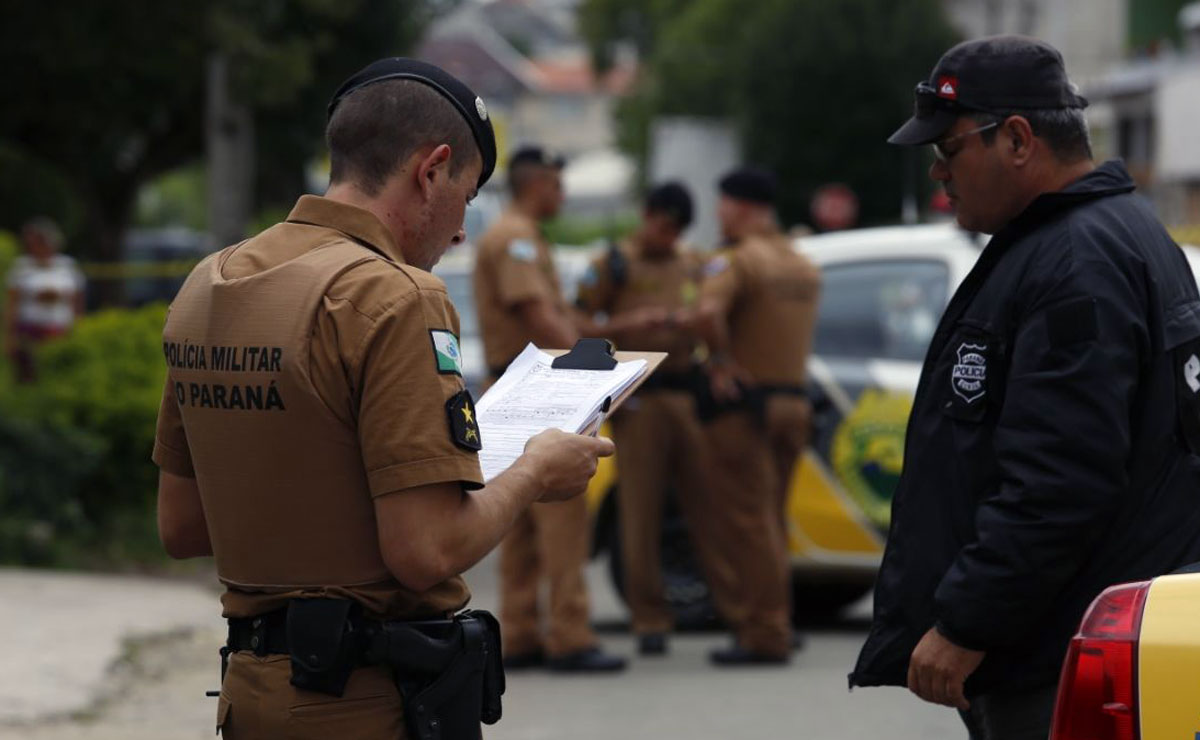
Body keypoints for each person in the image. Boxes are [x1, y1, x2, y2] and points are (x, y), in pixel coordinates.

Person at [151, 58, 615, 740]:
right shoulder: (395, 294)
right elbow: (425, 550)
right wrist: (534, 472)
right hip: (365, 702)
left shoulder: (210, 281)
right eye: (467, 195)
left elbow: (183, 527)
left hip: (250, 696)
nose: (461, 230)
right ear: (431, 171)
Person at [849, 36, 1200, 740]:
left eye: (948, 150)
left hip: (1065, 656)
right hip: (1087, 638)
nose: (939, 175)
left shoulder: (1076, 259)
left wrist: (967, 623)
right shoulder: (1097, 236)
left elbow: (1058, 480)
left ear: (1016, 139)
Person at [473, 146, 626, 673]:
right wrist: (595, 374)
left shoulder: (516, 235)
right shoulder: (515, 238)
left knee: (517, 519)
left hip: (512, 386)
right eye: (558, 187)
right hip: (541, 391)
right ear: (536, 185)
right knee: (563, 519)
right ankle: (569, 634)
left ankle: (518, 633)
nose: (562, 197)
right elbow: (540, 316)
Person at [573, 182, 730, 656]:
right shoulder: (611, 265)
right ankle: (649, 618)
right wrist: (626, 326)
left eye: (677, 230)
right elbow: (576, 322)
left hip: (686, 394)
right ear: (646, 216)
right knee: (640, 513)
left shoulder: (693, 262)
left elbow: (718, 304)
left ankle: (734, 611)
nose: (669, 238)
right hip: (638, 399)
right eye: (663, 227)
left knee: (710, 506)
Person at [691, 166, 821, 665]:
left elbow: (706, 314)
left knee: (748, 523)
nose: (719, 214)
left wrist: (721, 360)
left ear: (739, 207)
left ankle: (764, 632)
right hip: (794, 403)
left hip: (746, 407)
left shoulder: (737, 259)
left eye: (723, 204)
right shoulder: (800, 263)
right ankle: (777, 619)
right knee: (771, 519)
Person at [5, 218, 85, 382]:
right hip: (30, 331)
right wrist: (9, 335)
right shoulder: (21, 267)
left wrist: (79, 328)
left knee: (60, 376)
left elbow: (77, 301)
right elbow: (12, 303)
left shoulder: (66, 266)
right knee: (29, 378)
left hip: (60, 329)